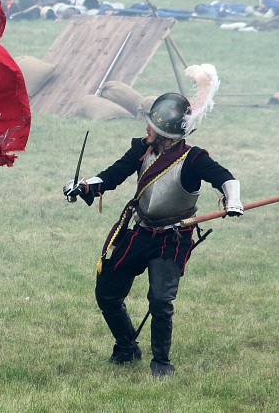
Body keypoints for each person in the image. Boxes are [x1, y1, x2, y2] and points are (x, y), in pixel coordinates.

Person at [64, 88, 243, 378]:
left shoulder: (194, 159)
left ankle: (161, 362)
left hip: (173, 238)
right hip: (141, 232)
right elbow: (113, 174)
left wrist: (233, 201)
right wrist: (84, 187)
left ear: (168, 135)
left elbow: (226, 178)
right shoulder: (142, 150)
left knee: (160, 300)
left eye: (156, 128)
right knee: (108, 292)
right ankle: (126, 347)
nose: (149, 129)